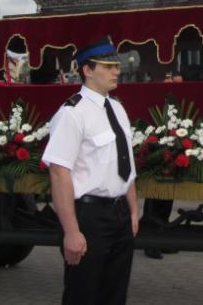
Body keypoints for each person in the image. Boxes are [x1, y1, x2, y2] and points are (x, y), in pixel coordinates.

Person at [42, 36, 138, 305]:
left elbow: (124, 163)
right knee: (83, 295)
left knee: (114, 295)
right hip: (89, 216)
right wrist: (71, 231)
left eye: (116, 66)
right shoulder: (72, 113)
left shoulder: (117, 108)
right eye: (107, 66)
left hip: (118, 215)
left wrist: (132, 209)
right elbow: (59, 173)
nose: (116, 71)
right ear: (87, 70)